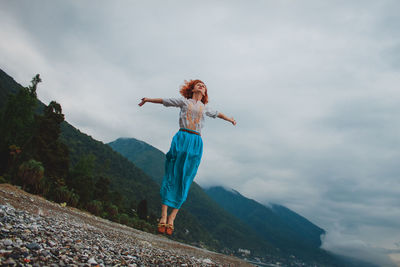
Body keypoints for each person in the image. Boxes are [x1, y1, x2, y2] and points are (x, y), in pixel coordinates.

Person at [138, 79, 236, 235]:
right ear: (192, 89)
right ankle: (163, 216)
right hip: (182, 138)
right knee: (171, 175)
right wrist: (148, 100)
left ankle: (172, 218)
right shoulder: (184, 101)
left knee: (186, 179)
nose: (201, 86)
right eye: (199, 84)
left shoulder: (205, 108)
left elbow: (218, 114)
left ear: (205, 92)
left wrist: (230, 119)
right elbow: (165, 101)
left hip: (196, 142)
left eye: (204, 86)